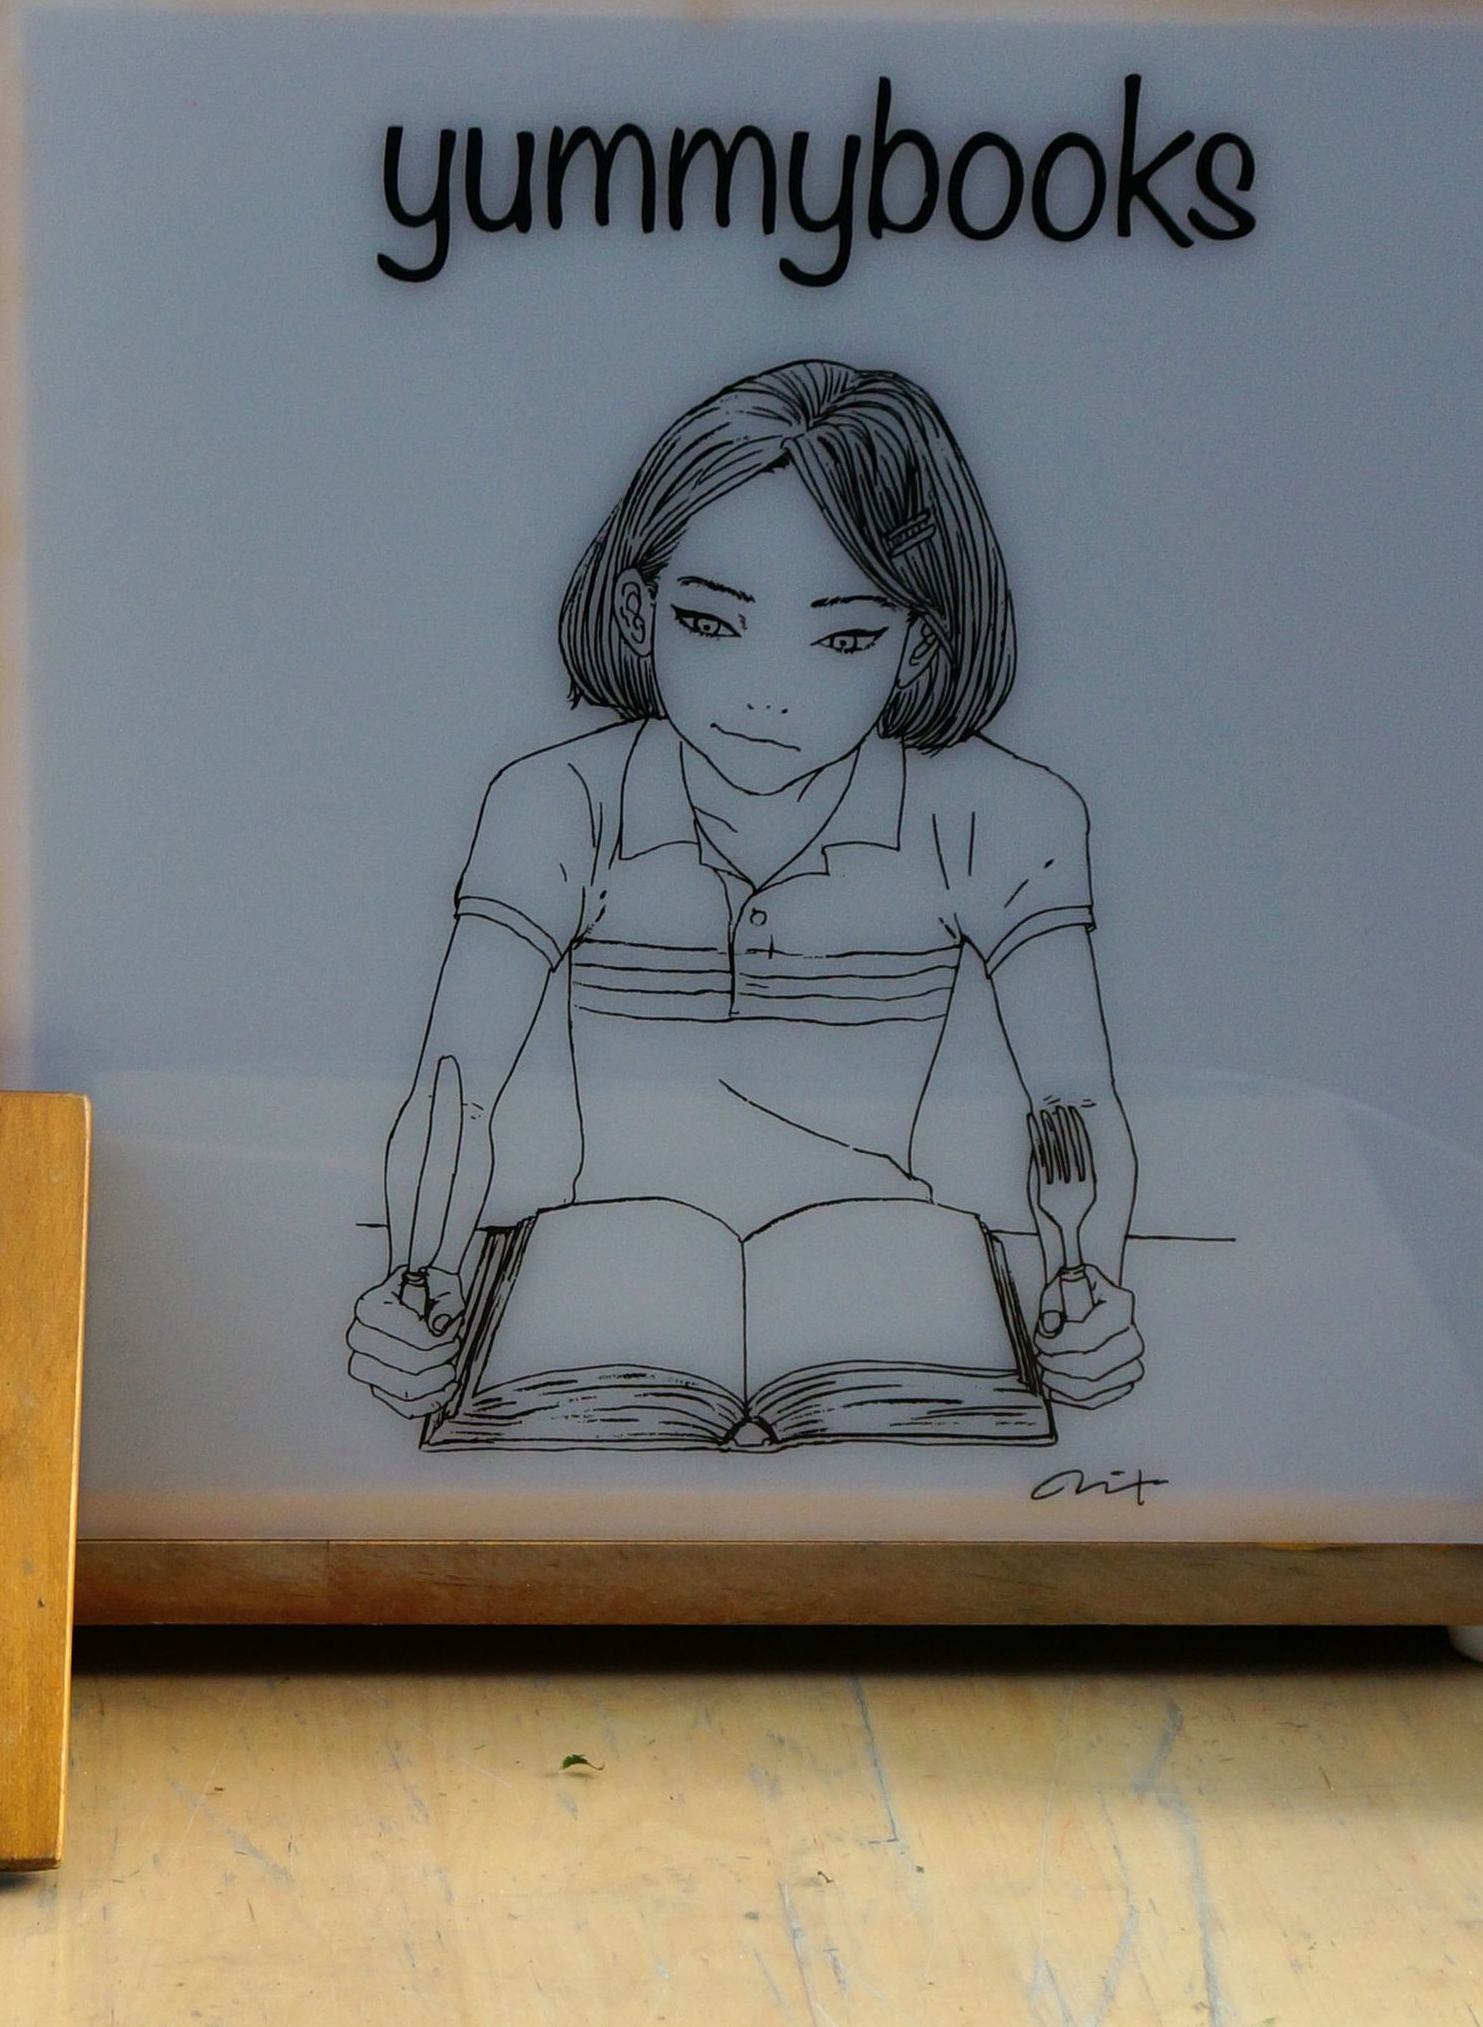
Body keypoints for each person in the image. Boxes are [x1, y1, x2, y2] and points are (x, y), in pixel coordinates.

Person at [347, 358, 1148, 1430]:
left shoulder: (1005, 813)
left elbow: (1071, 1109)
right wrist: (418, 1286)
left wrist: (1088, 1291)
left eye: (843, 637)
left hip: (886, 1300)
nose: (768, 692)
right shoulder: (555, 801)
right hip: (610, 1305)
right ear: (638, 612)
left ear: (919, 646)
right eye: (712, 623)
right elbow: (456, 1096)